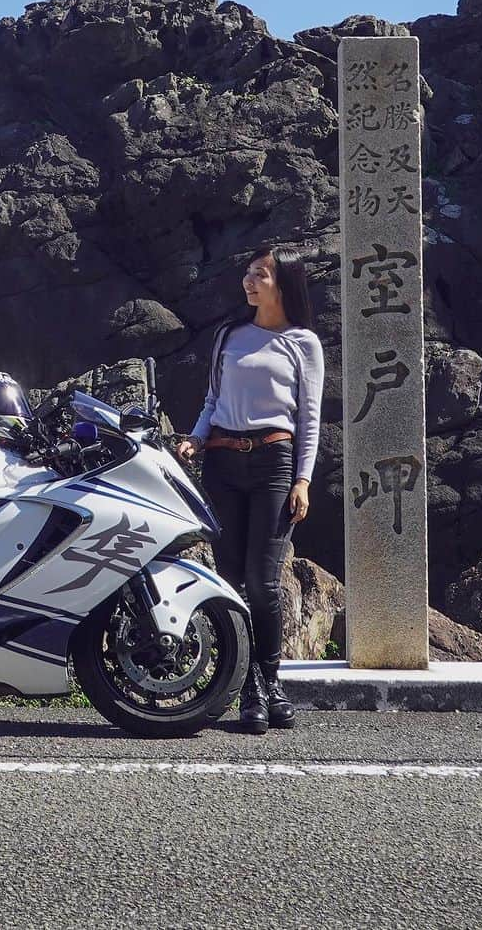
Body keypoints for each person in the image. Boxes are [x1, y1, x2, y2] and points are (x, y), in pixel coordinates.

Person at [175, 245, 324, 734]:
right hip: (221, 460)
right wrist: (196, 439)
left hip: (274, 462)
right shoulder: (229, 336)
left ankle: (272, 681)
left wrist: (303, 479)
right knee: (232, 580)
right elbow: (213, 399)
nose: (249, 281)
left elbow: (309, 418)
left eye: (260, 274)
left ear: (283, 285)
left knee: (263, 583)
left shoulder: (303, 344)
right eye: (248, 273)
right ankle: (248, 690)